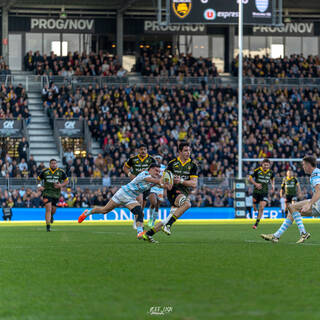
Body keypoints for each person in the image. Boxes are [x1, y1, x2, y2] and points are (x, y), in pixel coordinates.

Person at [78, 163, 171, 239]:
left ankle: (139, 232)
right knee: (104, 210)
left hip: (130, 198)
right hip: (122, 194)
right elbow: (156, 181)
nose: (158, 173)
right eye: (156, 170)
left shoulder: (153, 179)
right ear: (150, 169)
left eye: (159, 171)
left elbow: (164, 186)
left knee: (139, 212)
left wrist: (169, 184)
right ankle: (87, 212)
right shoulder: (145, 174)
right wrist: (163, 179)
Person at [142, 142, 198, 243]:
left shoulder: (193, 166)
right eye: (185, 151)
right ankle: (169, 226)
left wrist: (181, 181)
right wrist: (165, 184)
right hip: (173, 192)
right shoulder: (172, 164)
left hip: (183, 193)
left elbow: (194, 183)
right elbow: (164, 179)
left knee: (167, 219)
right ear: (180, 151)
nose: (188, 153)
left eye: (189, 150)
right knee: (187, 204)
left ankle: (148, 234)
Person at [261, 155, 318, 244]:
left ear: (308, 165)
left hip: (317, 203)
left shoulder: (315, 174)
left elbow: (319, 191)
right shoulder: (316, 173)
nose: (303, 167)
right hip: (317, 202)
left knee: (292, 207)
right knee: (292, 211)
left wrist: (309, 204)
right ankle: (276, 236)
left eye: (303, 165)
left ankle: (303, 233)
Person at [123, 144, 155, 229]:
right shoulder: (133, 159)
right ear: (138, 150)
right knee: (139, 200)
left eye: (145, 149)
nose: (143, 151)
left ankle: (139, 218)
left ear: (147, 150)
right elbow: (125, 167)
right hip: (137, 184)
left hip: (147, 184)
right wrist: (129, 174)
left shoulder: (151, 159)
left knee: (143, 204)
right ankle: (136, 220)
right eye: (141, 149)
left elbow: (155, 170)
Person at [37, 159, 68, 232]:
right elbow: (38, 179)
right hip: (46, 192)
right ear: (50, 164)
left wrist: (60, 185)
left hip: (56, 193)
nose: (53, 164)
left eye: (55, 163)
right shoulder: (45, 171)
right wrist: (39, 186)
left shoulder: (61, 172)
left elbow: (66, 181)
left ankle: (51, 216)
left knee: (53, 210)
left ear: (56, 164)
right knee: (48, 208)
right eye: (52, 163)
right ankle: (48, 226)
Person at [248, 158, 275, 229]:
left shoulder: (271, 172)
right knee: (255, 208)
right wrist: (256, 184)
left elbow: (272, 178)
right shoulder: (257, 171)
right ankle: (254, 205)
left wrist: (273, 186)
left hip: (264, 192)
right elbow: (249, 178)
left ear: (269, 166)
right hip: (256, 192)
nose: (266, 166)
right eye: (265, 165)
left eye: (267, 165)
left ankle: (256, 224)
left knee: (262, 207)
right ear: (262, 164)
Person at [147, 155, 166, 227]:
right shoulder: (152, 167)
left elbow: (165, 178)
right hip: (153, 187)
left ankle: (153, 221)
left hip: (160, 189)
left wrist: (165, 189)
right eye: (156, 159)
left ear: (161, 160)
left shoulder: (164, 168)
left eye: (159, 159)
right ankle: (150, 218)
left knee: (157, 205)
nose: (157, 160)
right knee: (153, 202)